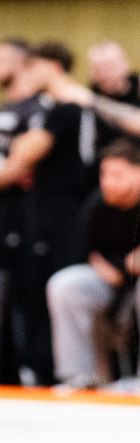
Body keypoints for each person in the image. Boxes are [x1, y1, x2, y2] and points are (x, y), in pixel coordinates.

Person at [0, 42, 99, 384]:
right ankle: (48, 367)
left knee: (47, 286)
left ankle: (48, 369)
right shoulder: (73, 103)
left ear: (51, 66)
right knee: (40, 285)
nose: (30, 73)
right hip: (62, 207)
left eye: (35, 66)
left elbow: (26, 152)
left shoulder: (66, 106)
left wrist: (21, 150)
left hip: (61, 209)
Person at [46, 139, 140, 389]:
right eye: (104, 174)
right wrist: (125, 265)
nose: (107, 182)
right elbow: (87, 256)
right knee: (65, 284)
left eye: (117, 175)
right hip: (110, 281)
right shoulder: (96, 205)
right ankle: (80, 376)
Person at [0, 37, 49, 382]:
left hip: (21, 213)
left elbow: (18, 167)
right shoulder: (5, 107)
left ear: (20, 63)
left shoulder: (37, 110)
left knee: (20, 289)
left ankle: (28, 367)